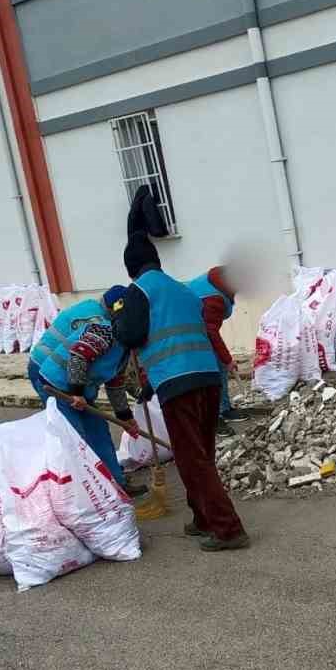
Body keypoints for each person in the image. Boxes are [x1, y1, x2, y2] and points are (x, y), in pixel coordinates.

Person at [113, 234, 250, 551]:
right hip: (206, 378)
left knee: (192, 460)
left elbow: (131, 335)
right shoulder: (183, 289)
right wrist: (149, 385)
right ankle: (203, 519)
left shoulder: (139, 292)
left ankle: (228, 530)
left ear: (130, 269)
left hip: (179, 384)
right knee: (202, 455)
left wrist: (121, 321)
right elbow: (176, 334)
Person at [28, 298, 146, 495]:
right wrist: (77, 393)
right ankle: (85, 494)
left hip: (79, 389)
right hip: (56, 384)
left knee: (98, 430)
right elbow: (78, 357)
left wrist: (126, 418)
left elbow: (115, 384)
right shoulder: (103, 330)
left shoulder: (124, 348)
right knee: (75, 438)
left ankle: (116, 484)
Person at [185, 267, 247, 433]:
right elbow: (210, 331)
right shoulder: (214, 298)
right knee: (207, 373)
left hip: (198, 332)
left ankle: (224, 409)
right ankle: (212, 420)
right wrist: (228, 360)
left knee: (218, 365)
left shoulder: (220, 280)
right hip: (187, 336)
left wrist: (224, 360)